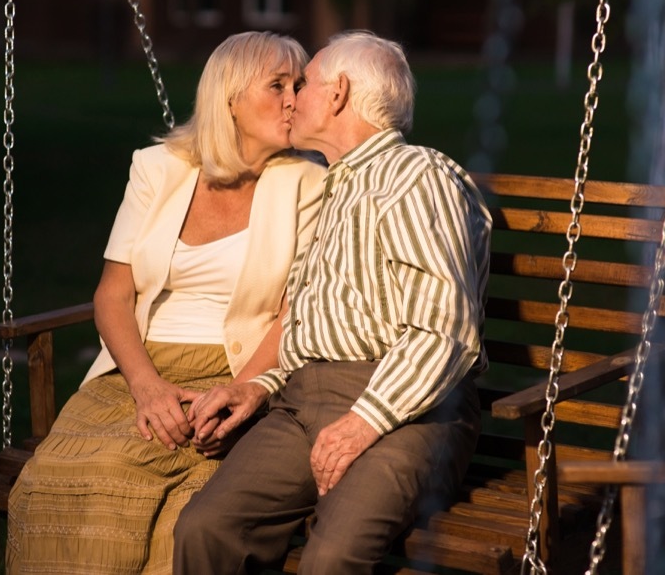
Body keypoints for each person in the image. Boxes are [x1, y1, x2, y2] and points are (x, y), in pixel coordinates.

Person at [6, 31, 326, 574]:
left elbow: (293, 313)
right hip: (138, 368)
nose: (295, 98)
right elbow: (113, 293)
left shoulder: (308, 181)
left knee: (186, 511)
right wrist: (146, 387)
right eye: (278, 85)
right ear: (229, 98)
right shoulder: (158, 168)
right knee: (66, 476)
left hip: (234, 370)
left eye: (299, 84)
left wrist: (240, 389)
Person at [175, 30, 492, 574]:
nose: (291, 97)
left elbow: (443, 331)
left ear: (339, 92)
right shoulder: (338, 186)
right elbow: (316, 327)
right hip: (302, 405)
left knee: (332, 558)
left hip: (407, 409)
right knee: (205, 529)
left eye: (303, 83)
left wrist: (363, 420)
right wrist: (259, 385)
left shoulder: (416, 177)